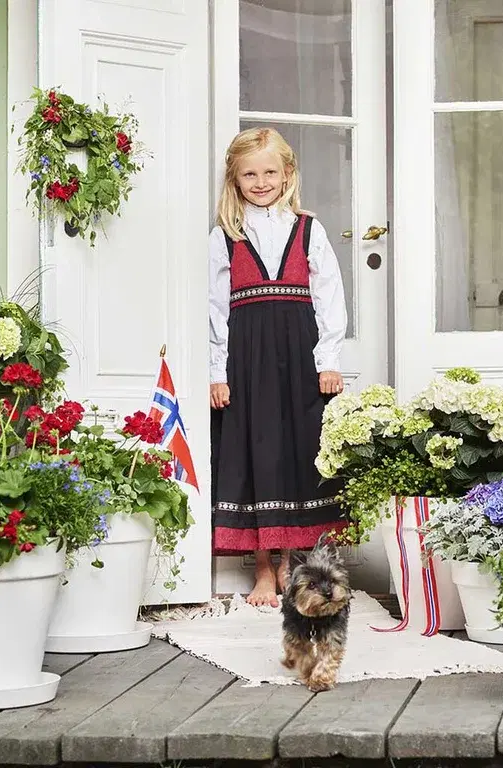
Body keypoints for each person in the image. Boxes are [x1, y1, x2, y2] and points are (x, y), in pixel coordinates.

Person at [209, 127, 348, 607]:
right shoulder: (223, 237)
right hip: (247, 360)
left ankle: (291, 562)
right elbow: (214, 310)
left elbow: (330, 297)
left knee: (297, 454)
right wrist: (217, 372)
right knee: (257, 455)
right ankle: (264, 569)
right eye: (250, 173)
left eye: (270, 171)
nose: (261, 181)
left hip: (300, 357)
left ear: (287, 173)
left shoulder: (309, 229)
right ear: (235, 177)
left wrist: (328, 360)